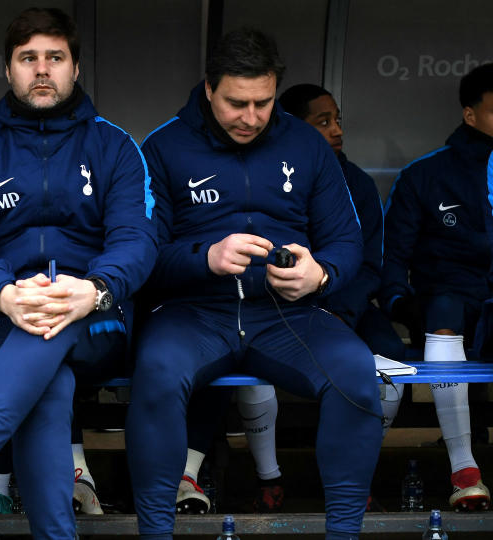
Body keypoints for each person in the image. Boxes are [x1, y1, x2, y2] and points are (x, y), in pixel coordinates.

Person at [0, 7, 157, 539]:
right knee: (50, 379)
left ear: (76, 68)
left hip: (98, 315)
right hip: (1, 313)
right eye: (28, 59)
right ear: (8, 70)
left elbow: (138, 238)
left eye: (55, 58)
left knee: (52, 334)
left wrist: (93, 290)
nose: (41, 70)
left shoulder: (115, 145)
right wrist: (3, 293)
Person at [130, 28, 382, 540]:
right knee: (155, 375)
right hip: (193, 314)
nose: (250, 117)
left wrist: (320, 274)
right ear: (208, 89)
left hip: (284, 313)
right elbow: (138, 255)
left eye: (262, 103)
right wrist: (206, 257)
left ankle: (346, 534)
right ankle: (155, 533)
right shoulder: (161, 146)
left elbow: (346, 243)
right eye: (235, 103)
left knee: (358, 376)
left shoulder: (307, 145)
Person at [176, 83, 410, 515]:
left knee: (389, 358)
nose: (336, 130)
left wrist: (330, 298)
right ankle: (268, 479)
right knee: (220, 355)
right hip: (275, 306)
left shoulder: (355, 181)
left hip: (342, 303)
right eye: (323, 122)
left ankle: (358, 478)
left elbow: (369, 262)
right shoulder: (261, 171)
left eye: (338, 119)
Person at [381, 62, 493, 511]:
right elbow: (395, 253)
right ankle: (464, 468)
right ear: (470, 115)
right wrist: (395, 299)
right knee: (443, 311)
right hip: (449, 297)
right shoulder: (426, 174)